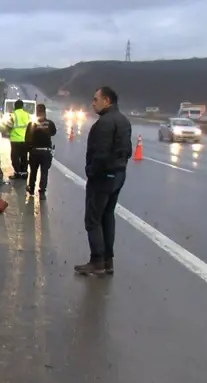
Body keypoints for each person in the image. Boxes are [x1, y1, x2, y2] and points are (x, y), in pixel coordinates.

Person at [74, 86, 132, 275]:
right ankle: (108, 261)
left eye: (95, 99)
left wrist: (91, 171)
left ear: (106, 101)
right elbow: (128, 151)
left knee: (92, 219)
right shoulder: (123, 121)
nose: (92, 103)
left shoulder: (104, 123)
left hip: (103, 177)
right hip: (118, 174)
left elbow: (100, 153)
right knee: (107, 216)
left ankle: (97, 260)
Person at [24, 103, 57, 199]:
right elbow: (54, 132)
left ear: (37, 111)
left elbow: (27, 138)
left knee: (33, 171)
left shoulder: (32, 124)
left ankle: (31, 188)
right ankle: (42, 192)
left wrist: (27, 150)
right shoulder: (49, 123)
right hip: (46, 152)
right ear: (45, 112)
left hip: (34, 151)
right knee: (44, 172)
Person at [5, 99, 31, 180]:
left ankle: (17, 173)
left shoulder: (13, 115)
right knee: (24, 157)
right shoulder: (27, 115)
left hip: (15, 140)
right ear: (22, 106)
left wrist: (8, 132)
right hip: (24, 140)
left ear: (15, 106)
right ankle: (24, 173)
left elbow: (8, 126)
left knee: (14, 157)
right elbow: (30, 127)